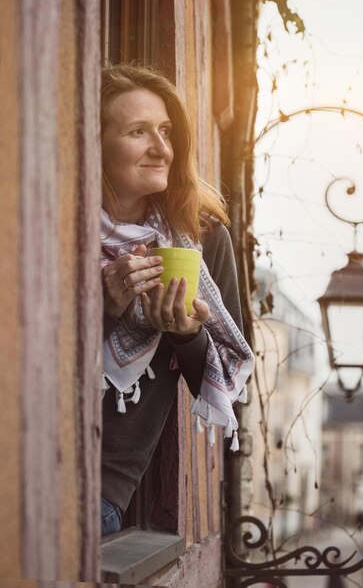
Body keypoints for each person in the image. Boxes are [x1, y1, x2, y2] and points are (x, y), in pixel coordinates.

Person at [100, 63, 254, 537]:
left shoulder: (203, 237)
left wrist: (187, 334)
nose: (161, 149)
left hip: (103, 486)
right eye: (138, 132)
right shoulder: (52, 226)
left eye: (166, 131)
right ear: (95, 143)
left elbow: (225, 371)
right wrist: (103, 308)